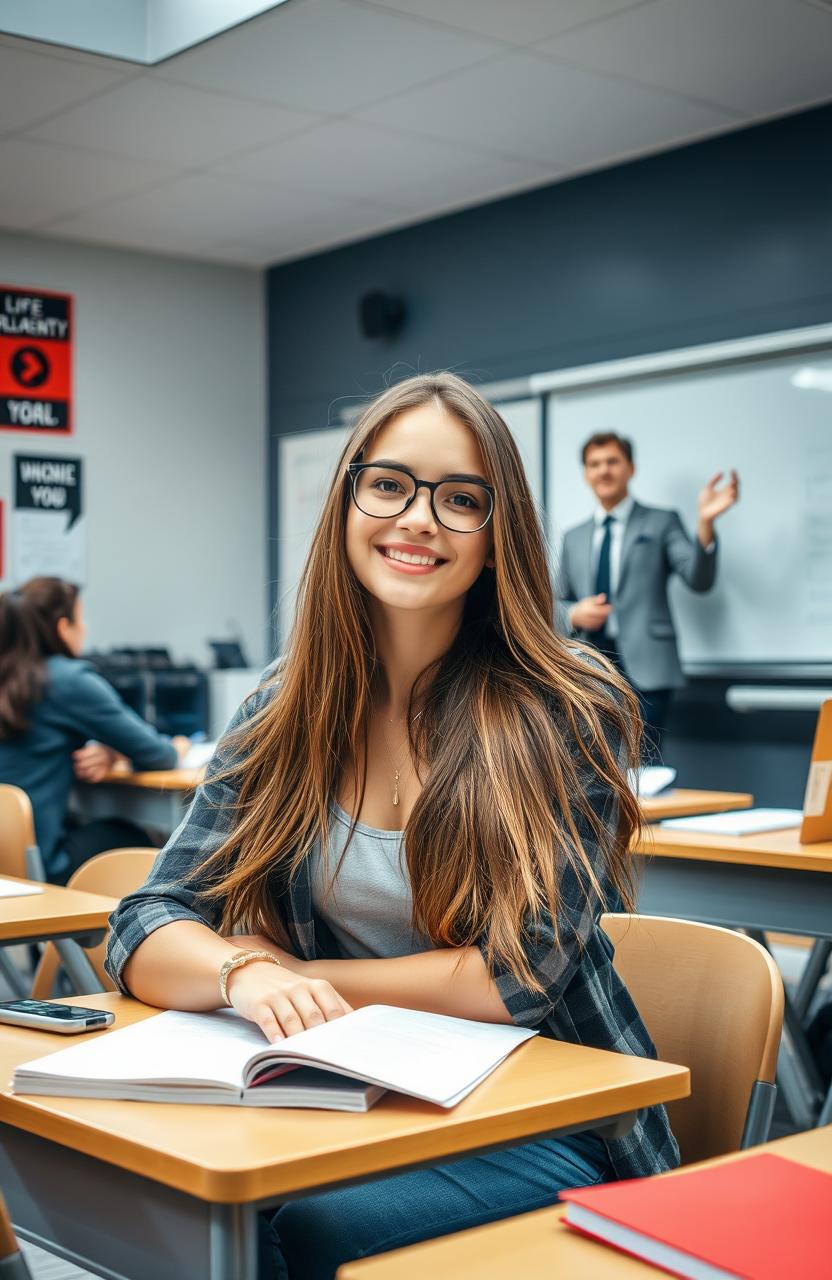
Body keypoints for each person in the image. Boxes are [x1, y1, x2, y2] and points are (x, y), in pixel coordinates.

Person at [106, 374, 679, 1280]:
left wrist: (292, 976)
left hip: (547, 1120)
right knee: (174, 1189)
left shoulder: (567, 706)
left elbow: (512, 977)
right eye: (389, 485)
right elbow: (145, 921)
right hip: (354, 1093)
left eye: (460, 500)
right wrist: (241, 971)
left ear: (498, 541)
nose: (418, 519)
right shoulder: (280, 706)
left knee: (293, 1224)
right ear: (347, 503)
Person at [556, 432, 739, 757]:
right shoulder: (574, 537)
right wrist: (573, 613)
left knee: (644, 764)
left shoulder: (661, 522)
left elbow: (698, 578)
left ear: (630, 468)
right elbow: (555, 601)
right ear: (586, 474)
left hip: (648, 665)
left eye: (613, 461)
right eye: (594, 464)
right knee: (593, 762)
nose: (604, 471)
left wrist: (706, 523)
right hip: (590, 665)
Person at [0, 577, 190, 882]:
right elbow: (160, 756)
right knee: (150, 840)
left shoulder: (12, 677)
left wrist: (108, 752)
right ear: (63, 628)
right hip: (43, 865)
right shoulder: (68, 680)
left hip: (6, 865)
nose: (85, 628)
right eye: (81, 618)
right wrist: (180, 744)